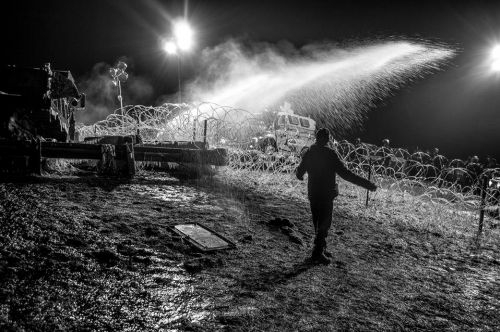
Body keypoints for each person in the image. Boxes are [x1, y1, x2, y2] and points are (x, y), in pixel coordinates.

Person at [296, 128, 377, 265]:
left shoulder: (309, 153)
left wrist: (300, 174)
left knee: (317, 222)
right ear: (327, 139)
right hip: (326, 195)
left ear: (316, 138)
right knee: (325, 223)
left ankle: (321, 246)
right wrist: (367, 184)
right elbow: (346, 175)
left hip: (313, 193)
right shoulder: (330, 155)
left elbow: (299, 173)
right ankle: (317, 253)